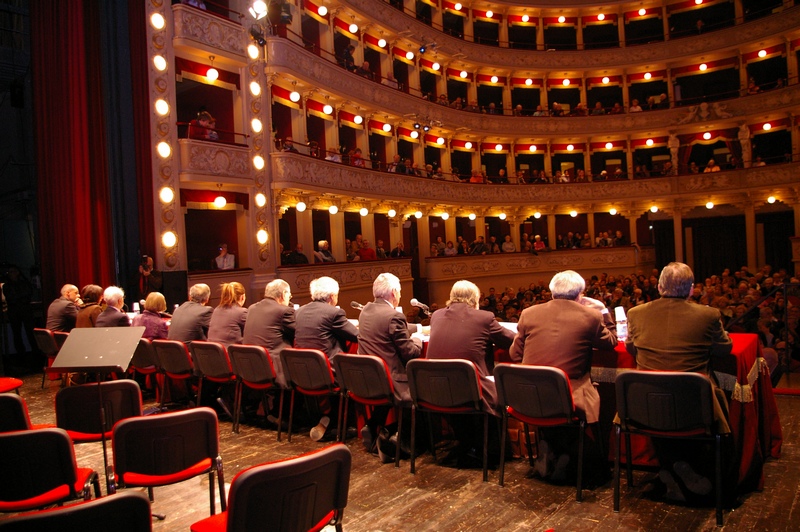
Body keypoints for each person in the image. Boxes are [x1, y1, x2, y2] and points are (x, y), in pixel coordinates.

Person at [625, 262, 733, 502]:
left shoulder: (636, 313)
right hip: (695, 407)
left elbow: (630, 348)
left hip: (645, 408)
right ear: (691, 289)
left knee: (662, 411)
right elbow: (725, 349)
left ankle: (670, 469)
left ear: (659, 286)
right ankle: (687, 471)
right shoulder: (708, 315)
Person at [510, 270, 617, 482]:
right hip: (568, 398)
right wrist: (604, 313)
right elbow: (611, 342)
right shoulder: (591, 316)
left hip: (529, 399)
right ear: (580, 295)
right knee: (600, 400)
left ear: (551, 293)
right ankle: (584, 459)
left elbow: (515, 355)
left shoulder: (528, 314)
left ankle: (552, 450)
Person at [357, 273, 423, 456]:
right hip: (392, 381)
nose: (400, 295)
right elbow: (410, 352)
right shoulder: (394, 316)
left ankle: (372, 425)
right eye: (400, 291)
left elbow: (385, 329)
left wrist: (412, 328)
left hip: (370, 378)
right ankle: (400, 439)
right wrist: (417, 339)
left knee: (386, 384)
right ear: (394, 292)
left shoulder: (366, 311)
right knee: (421, 385)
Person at [427, 280, 516, 415]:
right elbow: (511, 340)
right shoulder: (484, 318)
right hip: (471, 391)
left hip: (436, 391)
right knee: (506, 391)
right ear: (475, 299)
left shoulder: (436, 315)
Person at [295, 276, 358, 441]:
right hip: (328, 373)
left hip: (302, 372)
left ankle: (328, 419)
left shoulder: (299, 312)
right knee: (358, 372)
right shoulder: (334, 313)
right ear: (332, 296)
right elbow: (357, 335)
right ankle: (349, 424)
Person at [242, 279, 295, 388]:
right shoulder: (283, 311)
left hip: (250, 366)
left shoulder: (252, 308)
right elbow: (299, 332)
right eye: (289, 297)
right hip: (274, 368)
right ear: (283, 294)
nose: (289, 299)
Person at [2, 266, 35, 355]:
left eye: (13, 271)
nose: (11, 274)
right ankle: (21, 353)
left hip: (24, 309)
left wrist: (19, 298)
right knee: (17, 333)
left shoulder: (24, 283)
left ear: (17, 273)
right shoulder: (6, 286)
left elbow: (28, 294)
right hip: (15, 311)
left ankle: (35, 351)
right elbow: (10, 297)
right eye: (9, 272)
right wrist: (21, 298)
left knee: (30, 332)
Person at [207, 282, 248, 348]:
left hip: (213, 353)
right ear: (242, 297)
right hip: (230, 355)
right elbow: (253, 333)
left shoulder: (216, 310)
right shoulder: (242, 312)